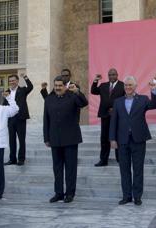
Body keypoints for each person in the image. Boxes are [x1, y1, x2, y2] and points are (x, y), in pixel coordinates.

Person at [109, 76, 156, 206]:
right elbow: (113, 121)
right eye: (126, 85)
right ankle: (126, 196)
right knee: (124, 169)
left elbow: (155, 104)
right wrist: (112, 139)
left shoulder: (143, 99)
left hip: (138, 139)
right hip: (122, 140)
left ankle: (137, 196)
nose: (128, 87)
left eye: (130, 85)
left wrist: (154, 90)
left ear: (135, 86)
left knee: (138, 169)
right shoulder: (118, 101)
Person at [44, 76, 88, 204]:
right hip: (55, 139)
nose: (57, 88)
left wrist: (77, 92)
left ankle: (70, 193)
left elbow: (84, 103)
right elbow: (46, 119)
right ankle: (58, 193)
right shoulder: (49, 99)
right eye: (56, 85)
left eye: (60, 85)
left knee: (70, 168)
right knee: (57, 168)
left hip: (70, 139)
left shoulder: (73, 96)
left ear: (65, 86)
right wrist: (46, 137)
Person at [91, 68, 125, 166]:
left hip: (118, 116)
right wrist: (96, 80)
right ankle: (103, 160)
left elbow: (125, 99)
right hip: (105, 115)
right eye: (110, 75)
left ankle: (120, 159)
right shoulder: (103, 85)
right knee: (104, 138)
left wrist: (116, 109)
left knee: (118, 137)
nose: (111, 76)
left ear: (117, 75)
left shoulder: (122, 85)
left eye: (113, 74)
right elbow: (93, 91)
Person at [4, 74, 33, 166]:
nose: (12, 82)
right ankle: (12, 159)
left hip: (20, 118)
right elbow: (4, 105)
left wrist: (25, 77)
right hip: (11, 119)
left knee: (21, 140)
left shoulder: (23, 90)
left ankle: (21, 159)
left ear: (17, 81)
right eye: (10, 81)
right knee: (11, 140)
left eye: (13, 80)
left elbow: (31, 87)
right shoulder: (6, 92)